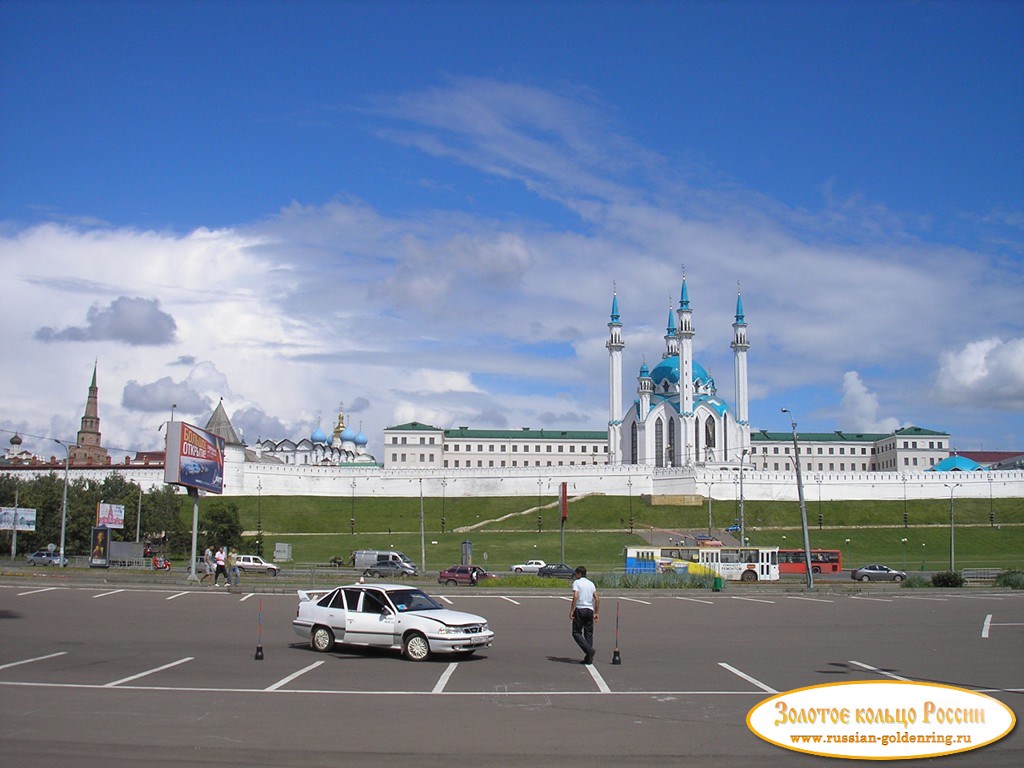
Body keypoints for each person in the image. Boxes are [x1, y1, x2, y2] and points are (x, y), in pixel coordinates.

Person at [569, 565, 599, 664]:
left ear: (579, 574)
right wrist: (596, 612)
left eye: (576, 574)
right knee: (588, 634)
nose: (575, 576)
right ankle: (588, 658)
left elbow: (575, 596)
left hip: (580, 609)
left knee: (576, 632)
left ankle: (589, 651)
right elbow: (597, 598)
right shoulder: (591, 584)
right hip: (590, 610)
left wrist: (571, 610)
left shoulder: (577, 583)